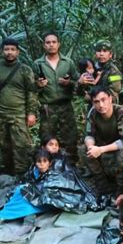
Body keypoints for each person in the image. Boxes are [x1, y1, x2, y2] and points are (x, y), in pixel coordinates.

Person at [0, 38, 38, 177]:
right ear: (2, 51)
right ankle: (8, 173)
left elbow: (31, 92)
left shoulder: (25, 70)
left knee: (21, 146)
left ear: (18, 52)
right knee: (4, 146)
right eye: (6, 49)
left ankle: (22, 175)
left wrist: (31, 113)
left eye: (12, 49)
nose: (9, 52)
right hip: (0, 114)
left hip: (19, 114)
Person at [33, 32, 80, 165]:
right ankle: (48, 166)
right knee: (47, 137)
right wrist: (39, 85)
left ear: (59, 44)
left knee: (70, 137)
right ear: (44, 45)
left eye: (54, 42)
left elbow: (78, 82)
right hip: (48, 107)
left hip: (66, 105)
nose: (51, 45)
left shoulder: (68, 62)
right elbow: (32, 87)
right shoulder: (38, 64)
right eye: (48, 42)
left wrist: (68, 83)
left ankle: (71, 167)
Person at [83, 86, 123, 196]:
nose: (101, 105)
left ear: (110, 98)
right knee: (85, 151)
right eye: (96, 102)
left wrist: (100, 149)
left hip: (118, 147)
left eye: (103, 100)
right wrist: (91, 147)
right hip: (102, 146)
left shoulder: (121, 112)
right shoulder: (93, 114)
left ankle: (121, 189)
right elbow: (88, 135)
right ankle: (103, 186)